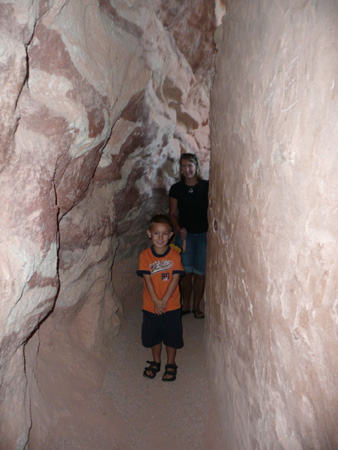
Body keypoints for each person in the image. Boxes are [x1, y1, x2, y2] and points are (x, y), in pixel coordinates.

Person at [137, 214, 185, 381]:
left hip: (171, 305)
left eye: (165, 233)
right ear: (149, 233)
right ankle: (156, 361)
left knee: (172, 336)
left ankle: (170, 363)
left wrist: (163, 300)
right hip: (151, 305)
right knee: (154, 335)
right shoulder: (145, 256)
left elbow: (175, 279)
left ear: (171, 235)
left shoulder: (174, 256)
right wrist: (156, 301)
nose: (160, 237)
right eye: (156, 233)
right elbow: (147, 279)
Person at [169, 153, 209, 319]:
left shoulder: (206, 186)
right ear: (180, 169)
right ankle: (185, 305)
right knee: (185, 274)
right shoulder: (176, 189)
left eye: (190, 165)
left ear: (196, 166)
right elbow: (172, 213)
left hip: (203, 235)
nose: (187, 169)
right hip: (185, 237)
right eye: (184, 166)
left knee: (200, 274)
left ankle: (196, 307)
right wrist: (178, 229)